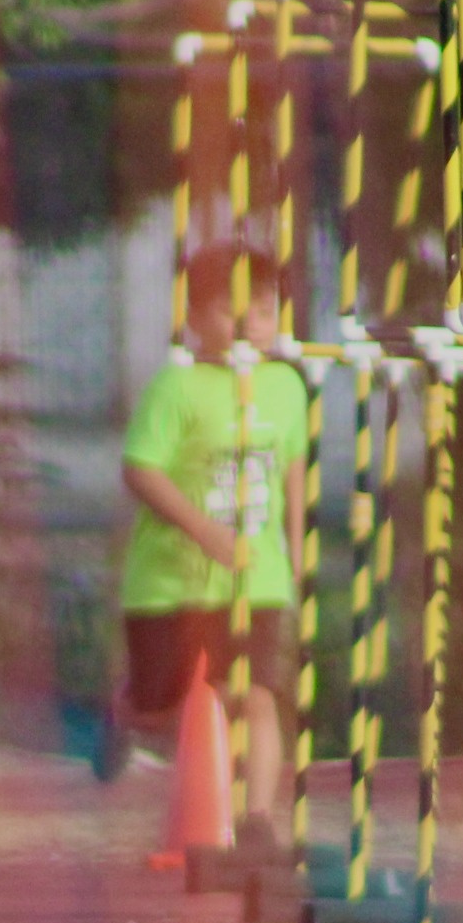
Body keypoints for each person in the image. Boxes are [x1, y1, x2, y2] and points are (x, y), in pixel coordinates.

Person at [116, 244, 306, 840]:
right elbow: (140, 470)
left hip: (256, 577)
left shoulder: (286, 386)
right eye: (232, 310)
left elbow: (294, 470)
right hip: (170, 582)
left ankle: (256, 821)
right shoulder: (176, 388)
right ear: (195, 317)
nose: (251, 324)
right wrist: (204, 531)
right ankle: (125, 711)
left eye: (265, 311)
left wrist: (296, 552)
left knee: (255, 697)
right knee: (165, 705)